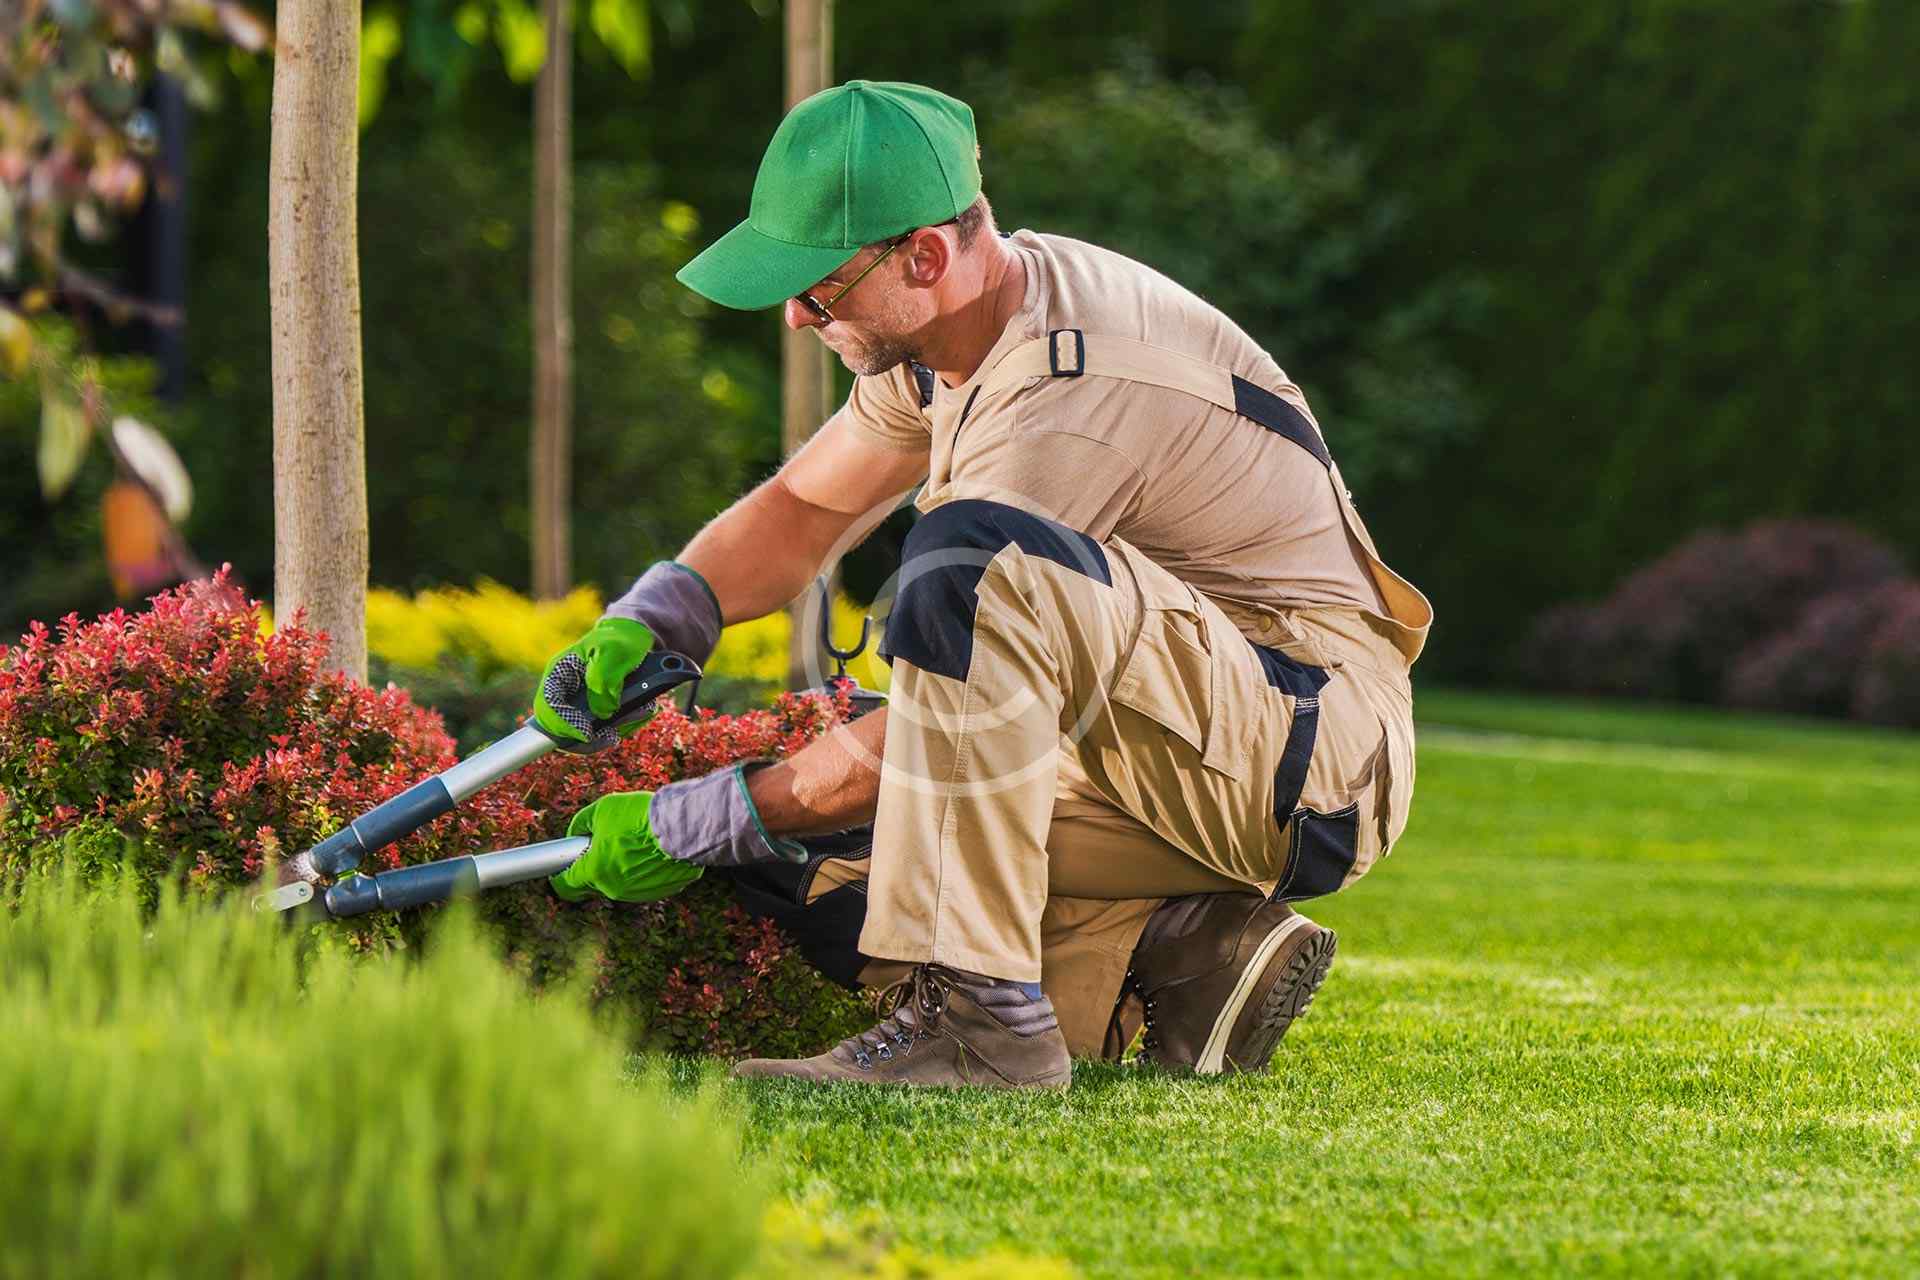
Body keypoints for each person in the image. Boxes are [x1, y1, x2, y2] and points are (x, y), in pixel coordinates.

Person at [534, 80, 1432, 1090]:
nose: (793, 316)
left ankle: (985, 1025)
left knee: (964, 571)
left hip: (1305, 752)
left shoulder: (1065, 395)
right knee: (825, 872)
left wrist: (699, 817)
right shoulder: (949, 338)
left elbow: (935, 718)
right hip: (1171, 739)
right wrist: (661, 613)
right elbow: (804, 510)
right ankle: (1189, 952)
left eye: (818, 288)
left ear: (923, 254)